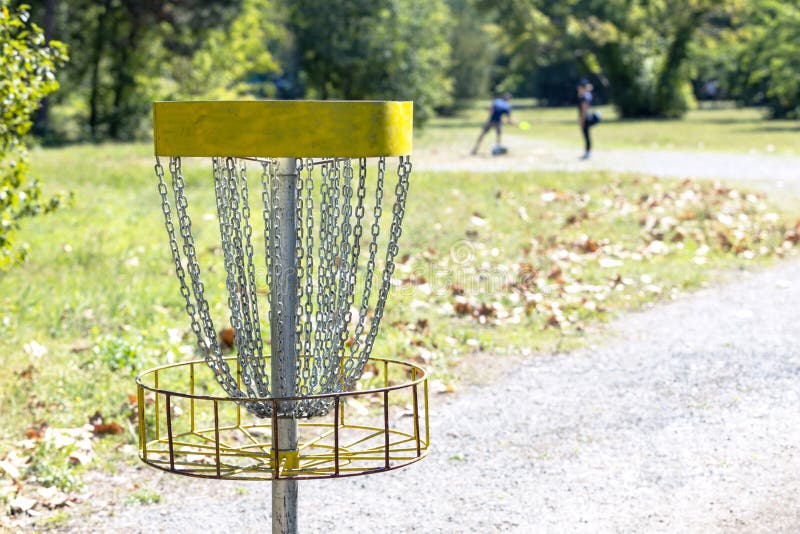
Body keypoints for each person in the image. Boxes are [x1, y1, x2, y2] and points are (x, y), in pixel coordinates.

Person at [577, 79, 597, 159]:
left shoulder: (584, 97)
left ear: (582, 87)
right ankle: (587, 151)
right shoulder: (586, 95)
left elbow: (584, 110)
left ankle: (588, 152)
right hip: (586, 117)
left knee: (586, 136)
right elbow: (590, 87)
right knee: (587, 136)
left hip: (586, 118)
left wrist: (582, 120)